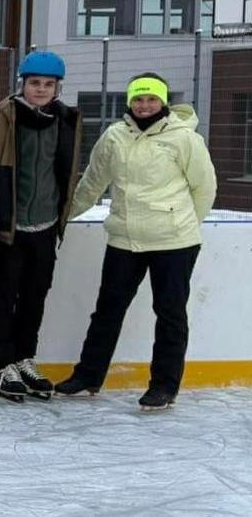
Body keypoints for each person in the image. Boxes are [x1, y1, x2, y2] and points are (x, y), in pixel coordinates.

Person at [56, 74, 215, 412]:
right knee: (108, 310)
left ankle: (163, 387)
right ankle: (88, 376)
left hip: (174, 242)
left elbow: (204, 188)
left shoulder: (184, 138)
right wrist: (62, 216)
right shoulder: (114, 136)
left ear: (163, 102)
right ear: (129, 102)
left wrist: (182, 225)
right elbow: (92, 182)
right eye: (138, 99)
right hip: (125, 239)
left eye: (151, 99)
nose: (144, 106)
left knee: (170, 314)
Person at [0, 51, 82, 403]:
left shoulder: (67, 121)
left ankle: (23, 358)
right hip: (5, 229)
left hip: (44, 228)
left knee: (34, 297)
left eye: (48, 84)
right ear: (22, 84)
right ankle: (1, 366)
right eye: (34, 83)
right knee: (0, 299)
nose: (41, 90)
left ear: (58, 87)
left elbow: (66, 174)